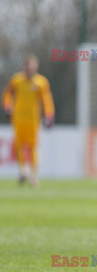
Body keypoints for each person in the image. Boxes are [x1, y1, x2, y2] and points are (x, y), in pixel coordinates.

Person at [2, 54, 54, 187]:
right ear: (24, 67)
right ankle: (23, 170)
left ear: (36, 67)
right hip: (18, 118)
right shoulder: (16, 80)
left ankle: (33, 175)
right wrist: (7, 106)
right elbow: (8, 94)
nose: (29, 69)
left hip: (34, 120)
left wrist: (49, 115)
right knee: (19, 145)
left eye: (31, 66)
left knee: (33, 147)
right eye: (27, 66)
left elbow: (46, 100)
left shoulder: (41, 82)